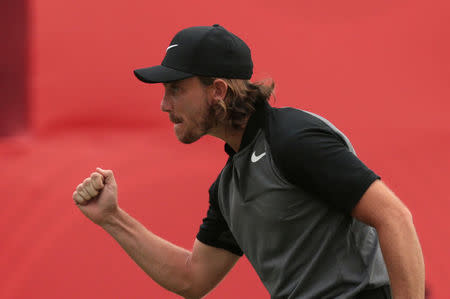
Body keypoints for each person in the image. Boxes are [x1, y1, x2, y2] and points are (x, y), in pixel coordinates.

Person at [72, 25, 425, 298]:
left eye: (176, 89)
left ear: (219, 91)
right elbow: (191, 278)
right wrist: (112, 218)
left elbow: (394, 217)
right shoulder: (228, 187)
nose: (165, 105)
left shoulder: (293, 140)